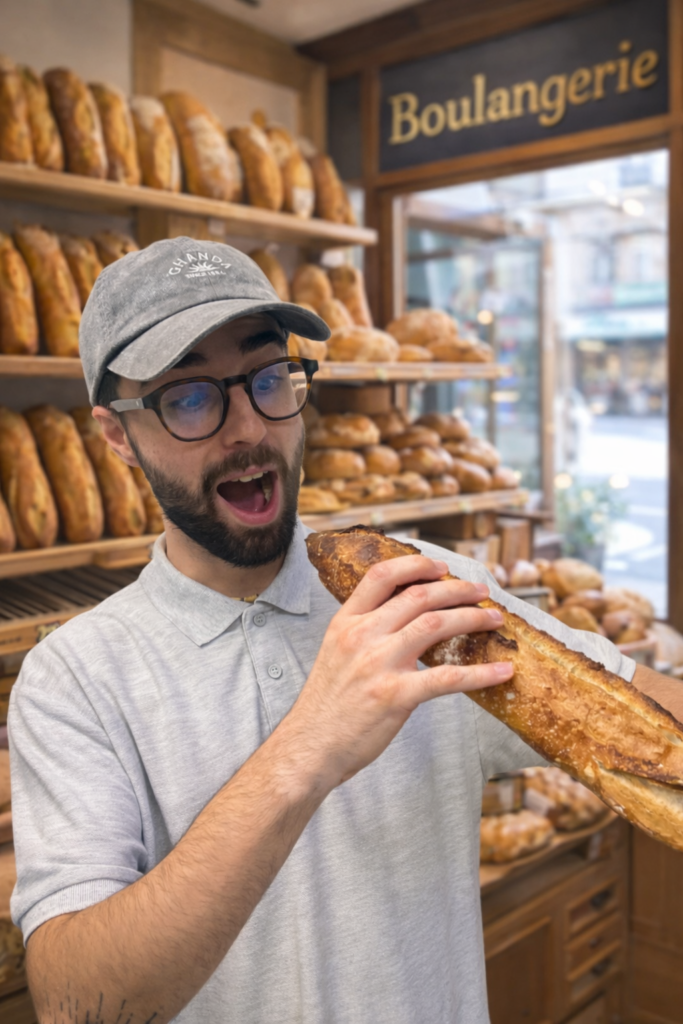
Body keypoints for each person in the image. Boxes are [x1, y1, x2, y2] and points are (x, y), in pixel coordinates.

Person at [9, 239, 683, 1024]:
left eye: (267, 379)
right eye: (190, 397)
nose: (248, 430)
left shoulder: (413, 590)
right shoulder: (74, 680)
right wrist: (309, 747)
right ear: (118, 435)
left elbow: (640, 715)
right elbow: (71, 1002)